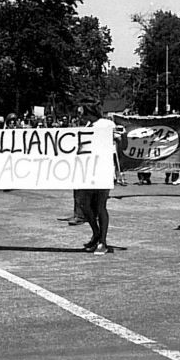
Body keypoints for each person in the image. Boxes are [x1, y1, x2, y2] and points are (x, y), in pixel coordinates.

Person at [77, 99, 115, 255]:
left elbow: (121, 143)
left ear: (88, 112)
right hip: (88, 171)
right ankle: (96, 233)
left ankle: (103, 242)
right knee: (84, 204)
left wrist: (121, 137)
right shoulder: (87, 127)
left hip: (103, 170)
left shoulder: (107, 124)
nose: (79, 115)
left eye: (81, 112)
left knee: (100, 206)